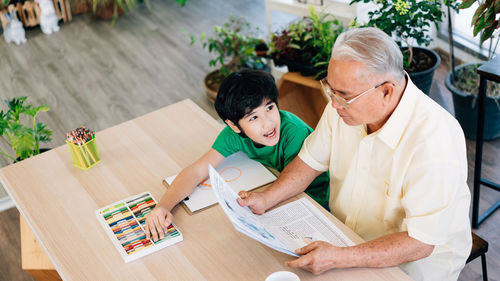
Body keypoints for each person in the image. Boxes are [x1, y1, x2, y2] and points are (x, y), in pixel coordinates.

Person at [237, 28, 472, 281]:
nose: (334, 104)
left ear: (386, 92)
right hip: (344, 238)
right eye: (331, 89)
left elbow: (420, 243)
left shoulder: (435, 143)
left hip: (413, 267)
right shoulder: (343, 107)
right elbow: (309, 161)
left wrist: (338, 257)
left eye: (344, 96)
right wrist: (266, 198)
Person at [145, 69, 330, 242]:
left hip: (319, 201)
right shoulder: (233, 135)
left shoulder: (293, 131)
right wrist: (163, 206)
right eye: (253, 117)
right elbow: (196, 171)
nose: (268, 123)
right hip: (281, 193)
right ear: (234, 126)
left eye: (270, 108)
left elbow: (295, 182)